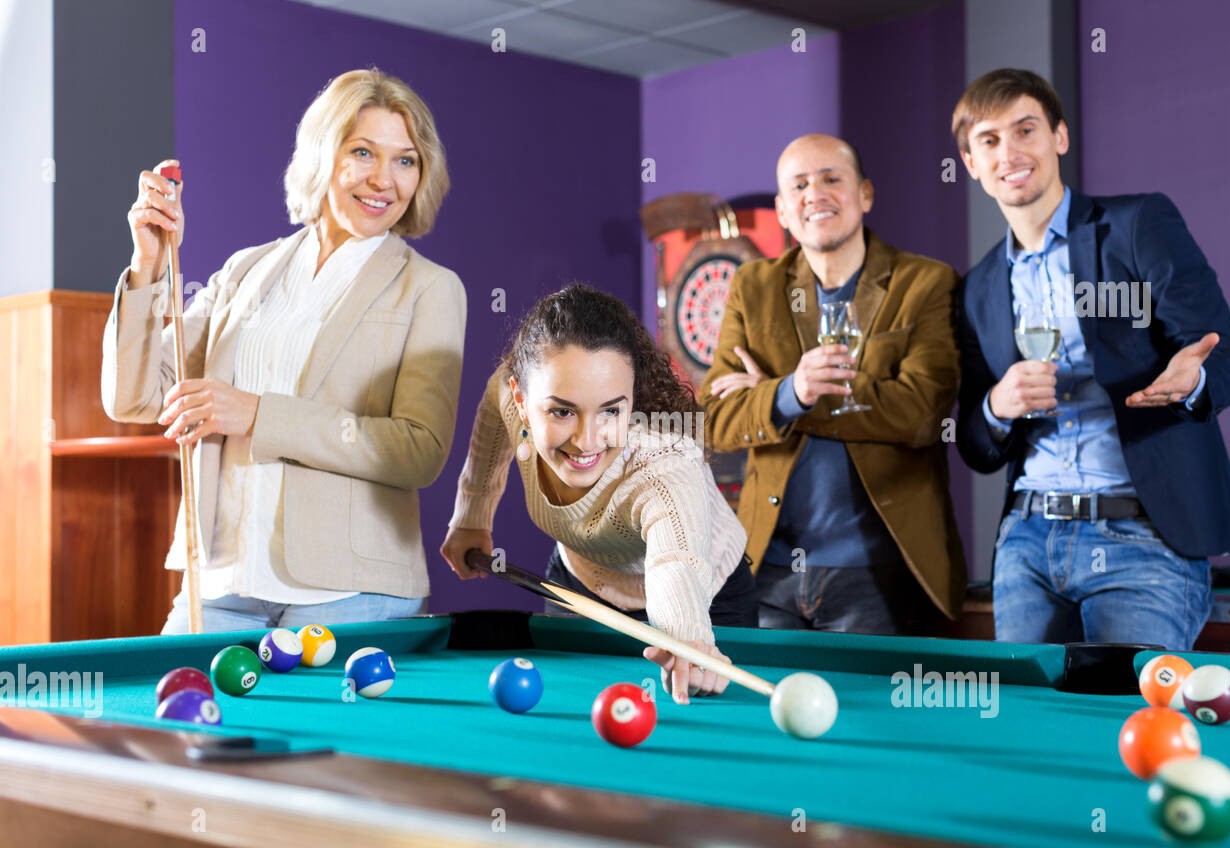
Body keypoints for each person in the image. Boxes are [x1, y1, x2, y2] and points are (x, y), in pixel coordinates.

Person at [102, 68, 467, 633]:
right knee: (180, 722)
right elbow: (136, 396)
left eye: (406, 160)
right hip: (221, 579)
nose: (384, 179)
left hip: (349, 593)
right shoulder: (247, 270)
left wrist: (256, 414)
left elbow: (418, 450)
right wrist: (149, 264)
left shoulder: (430, 288)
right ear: (323, 155)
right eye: (363, 152)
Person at [951, 68, 1230, 650]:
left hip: (1140, 534)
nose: (1008, 152)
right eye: (988, 141)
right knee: (1026, 735)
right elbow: (973, 441)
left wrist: (1192, 381)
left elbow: (1225, 359)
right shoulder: (976, 286)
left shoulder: (1137, 225)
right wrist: (995, 406)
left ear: (1059, 137)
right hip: (1026, 542)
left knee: (1138, 731)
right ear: (970, 163)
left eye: (1025, 130)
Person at [699, 134, 967, 635]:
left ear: (865, 194)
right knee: (763, 713)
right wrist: (790, 391)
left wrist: (783, 398)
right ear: (782, 211)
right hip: (767, 570)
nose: (814, 194)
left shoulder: (927, 282)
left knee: (864, 717)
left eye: (831, 179)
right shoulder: (752, 288)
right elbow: (713, 420)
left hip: (877, 575)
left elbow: (922, 414)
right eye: (799, 185)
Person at [440, 284, 754, 703]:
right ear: (521, 398)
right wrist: (471, 518)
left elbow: (676, 562)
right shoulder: (509, 396)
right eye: (563, 411)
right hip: (580, 579)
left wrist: (687, 638)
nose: (587, 441)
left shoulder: (665, 459)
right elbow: (493, 422)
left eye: (611, 410)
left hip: (708, 595)